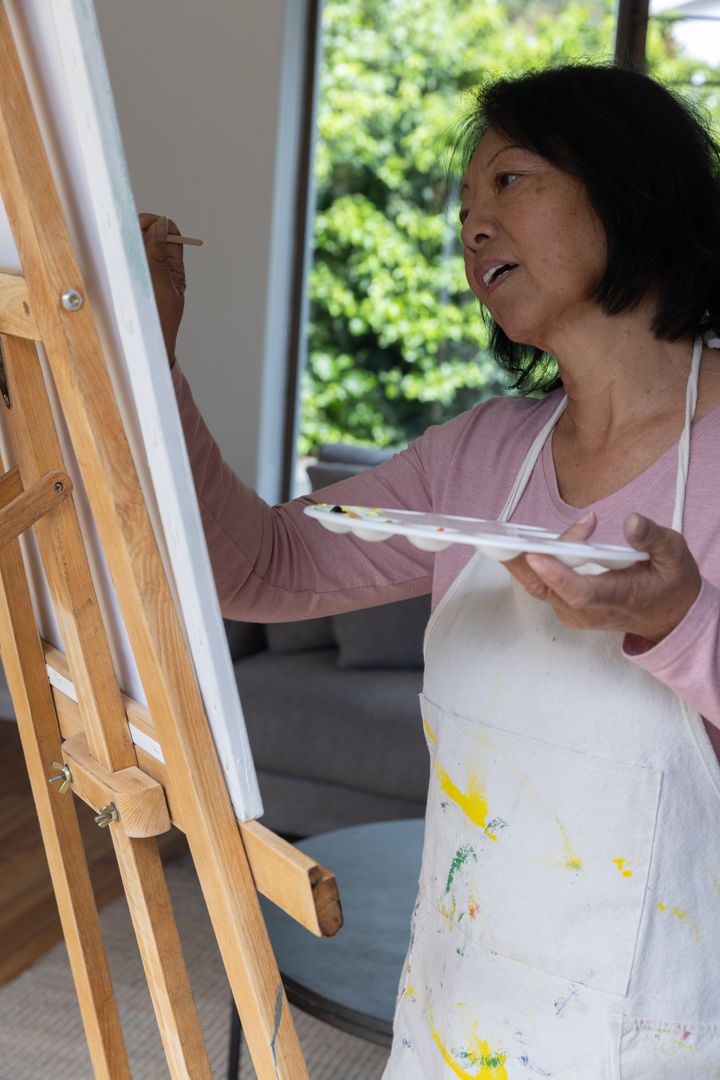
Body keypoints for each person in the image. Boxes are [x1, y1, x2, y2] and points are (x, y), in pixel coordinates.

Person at [143, 63, 720, 1078]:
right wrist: (153, 364)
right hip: (463, 1013)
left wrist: (681, 620)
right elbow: (265, 569)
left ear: (631, 186)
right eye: (463, 206)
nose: (473, 225)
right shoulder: (484, 456)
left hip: (660, 1039)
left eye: (511, 181)